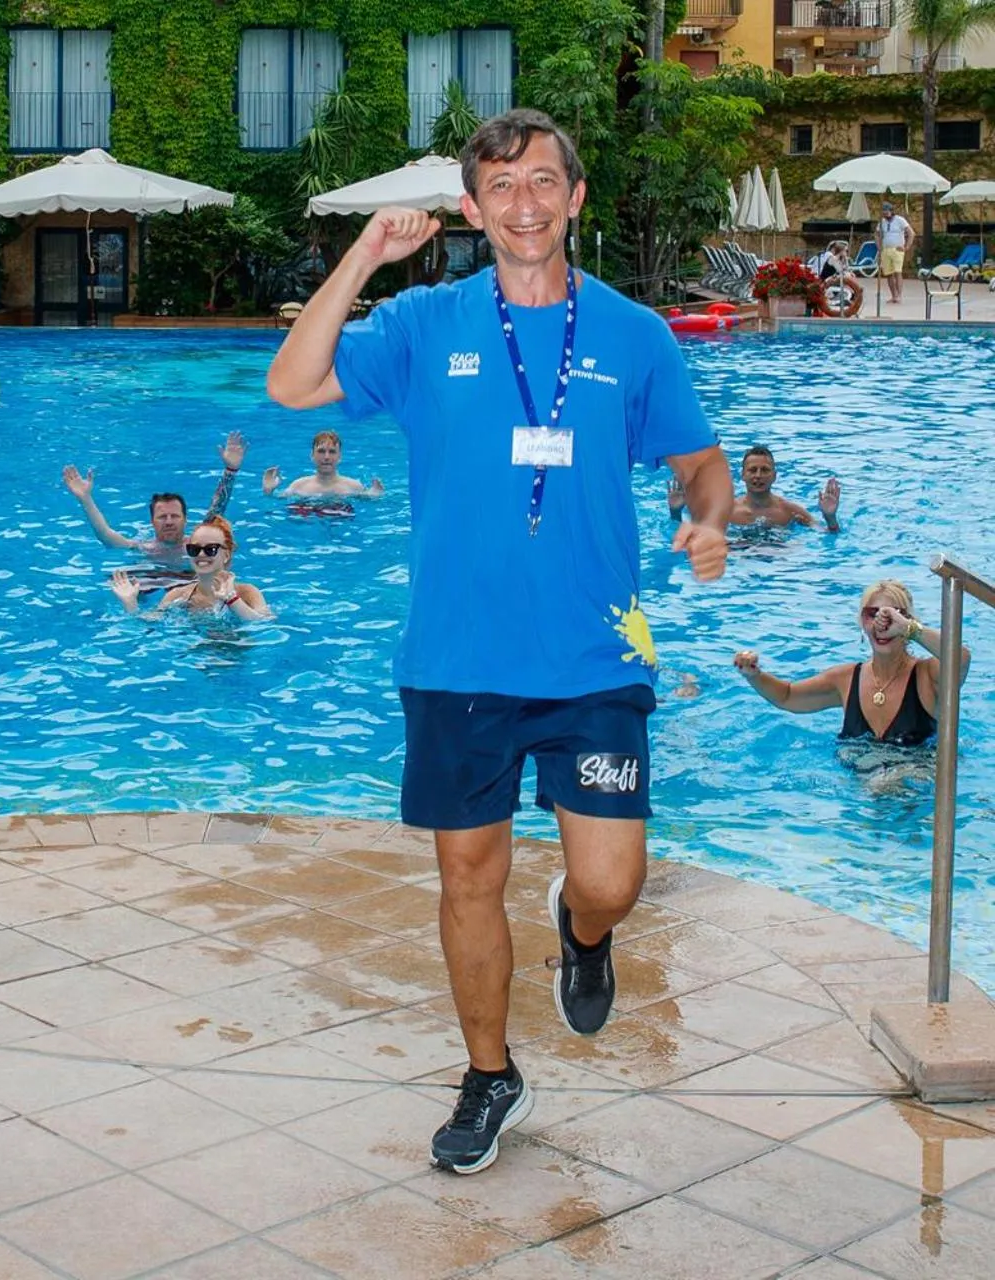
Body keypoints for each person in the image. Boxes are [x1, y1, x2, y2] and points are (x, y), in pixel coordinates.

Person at [266, 108, 731, 1176]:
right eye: (500, 189)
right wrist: (365, 257)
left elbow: (697, 463)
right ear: (473, 210)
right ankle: (489, 1073)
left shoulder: (634, 335)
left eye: (541, 184)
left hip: (594, 656)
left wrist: (704, 517)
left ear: (574, 198)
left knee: (613, 875)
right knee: (468, 877)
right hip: (456, 658)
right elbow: (292, 384)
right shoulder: (424, 322)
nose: (523, 205)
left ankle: (584, 927)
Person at [732, 579, 970, 747]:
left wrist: (909, 629)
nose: (882, 625)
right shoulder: (845, 680)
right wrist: (754, 675)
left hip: (916, 791)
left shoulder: (928, 676)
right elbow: (787, 696)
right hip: (863, 799)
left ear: (908, 621)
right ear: (861, 621)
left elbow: (961, 658)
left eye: (892, 616)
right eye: (872, 614)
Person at [61, 430, 247, 565]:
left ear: (185, 520)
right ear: (152, 521)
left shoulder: (197, 547)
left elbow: (216, 512)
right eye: (162, 517)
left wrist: (230, 471)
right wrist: (85, 498)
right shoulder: (144, 549)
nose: (168, 521)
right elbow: (106, 536)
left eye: (174, 516)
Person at [109, 514, 270, 619]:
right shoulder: (178, 596)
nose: (201, 555)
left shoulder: (247, 593)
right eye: (194, 549)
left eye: (210, 549)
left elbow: (264, 624)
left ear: (226, 555)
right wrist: (130, 603)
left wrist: (232, 600)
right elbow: (148, 626)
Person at [669, 445, 839, 532]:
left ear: (774, 475)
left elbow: (826, 534)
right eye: (752, 470)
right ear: (743, 475)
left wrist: (830, 517)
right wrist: (675, 513)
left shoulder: (790, 511)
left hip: (778, 561)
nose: (758, 475)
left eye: (765, 470)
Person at [261, 429, 384, 502]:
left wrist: (376, 495)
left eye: (332, 452)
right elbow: (276, 500)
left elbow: (370, 500)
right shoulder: (298, 486)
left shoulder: (353, 487)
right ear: (312, 455)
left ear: (339, 456)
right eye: (321, 451)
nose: (326, 457)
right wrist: (269, 491)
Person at [878, 202, 913, 304]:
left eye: (887, 211)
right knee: (889, 274)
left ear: (891, 211)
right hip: (886, 250)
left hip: (897, 250)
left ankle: (899, 295)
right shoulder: (882, 222)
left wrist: (906, 247)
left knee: (898, 272)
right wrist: (879, 247)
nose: (885, 213)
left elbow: (911, 233)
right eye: (884, 211)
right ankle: (893, 295)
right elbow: (877, 234)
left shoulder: (900, 220)